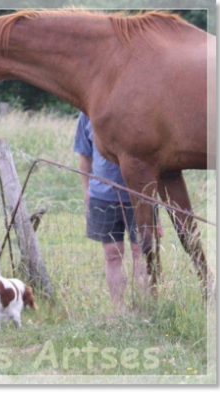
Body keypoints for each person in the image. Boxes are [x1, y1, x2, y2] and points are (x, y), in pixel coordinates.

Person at [73, 112, 150, 311]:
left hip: (140, 194)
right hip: (102, 195)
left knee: (140, 251)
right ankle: (119, 309)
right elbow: (84, 156)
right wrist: (87, 192)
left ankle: (144, 307)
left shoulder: (139, 108)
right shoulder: (87, 114)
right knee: (112, 254)